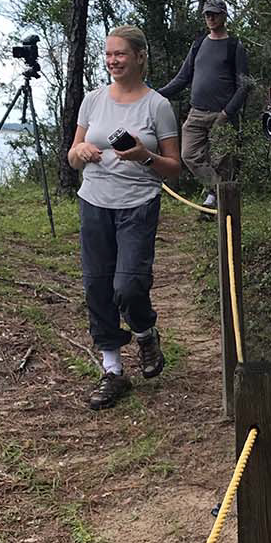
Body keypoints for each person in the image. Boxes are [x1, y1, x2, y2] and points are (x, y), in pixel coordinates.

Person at [68, 25, 182, 411]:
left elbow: (173, 167)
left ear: (139, 56)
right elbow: (71, 154)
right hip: (94, 202)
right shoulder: (92, 100)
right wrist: (81, 150)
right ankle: (113, 370)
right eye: (109, 54)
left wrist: (143, 157)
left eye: (120, 54)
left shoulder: (157, 106)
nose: (113, 61)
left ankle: (146, 331)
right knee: (97, 286)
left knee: (129, 285)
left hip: (138, 204)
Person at [157, 0, 250, 213]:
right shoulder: (199, 44)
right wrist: (156, 94)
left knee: (222, 161)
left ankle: (219, 205)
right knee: (189, 154)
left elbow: (245, 84)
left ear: (223, 16)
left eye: (214, 14)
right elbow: (182, 78)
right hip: (197, 112)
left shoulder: (234, 46)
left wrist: (227, 112)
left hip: (222, 114)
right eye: (207, 14)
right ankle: (221, 192)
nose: (210, 18)